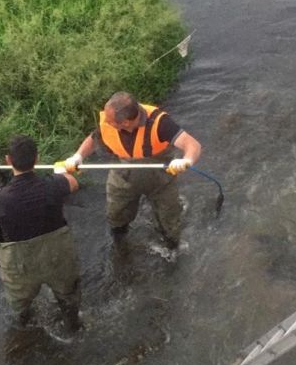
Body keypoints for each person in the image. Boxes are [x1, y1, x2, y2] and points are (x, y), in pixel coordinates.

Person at [0, 135, 82, 332]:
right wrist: (61, 171)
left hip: (20, 266)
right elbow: (73, 183)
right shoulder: (54, 184)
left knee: (20, 306)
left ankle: (25, 333)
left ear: (8, 160)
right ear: (36, 159)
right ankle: (72, 328)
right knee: (68, 296)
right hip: (58, 257)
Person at [63, 91, 202, 248]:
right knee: (116, 216)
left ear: (126, 123)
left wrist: (186, 160)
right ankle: (120, 244)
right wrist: (78, 156)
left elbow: (192, 145)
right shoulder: (109, 122)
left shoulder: (160, 123)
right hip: (122, 176)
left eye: (110, 121)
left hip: (160, 181)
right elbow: (94, 137)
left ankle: (172, 246)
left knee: (170, 221)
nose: (105, 122)